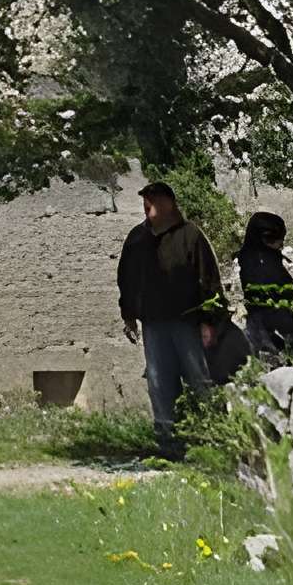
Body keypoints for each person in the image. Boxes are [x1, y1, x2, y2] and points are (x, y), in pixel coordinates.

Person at [115, 180, 225, 456]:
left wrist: (209, 320)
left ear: (168, 204)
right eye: (145, 200)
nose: (147, 205)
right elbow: (126, 278)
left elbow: (208, 279)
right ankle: (169, 444)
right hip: (154, 323)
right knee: (159, 383)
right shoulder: (137, 239)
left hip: (188, 322)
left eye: (153, 200)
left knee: (199, 380)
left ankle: (211, 439)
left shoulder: (190, 236)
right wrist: (128, 314)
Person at [237, 211, 293, 362]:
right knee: (268, 352)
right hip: (264, 317)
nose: (281, 244)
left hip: (277, 312)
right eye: (278, 239)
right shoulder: (253, 262)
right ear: (264, 238)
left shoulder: (270, 255)